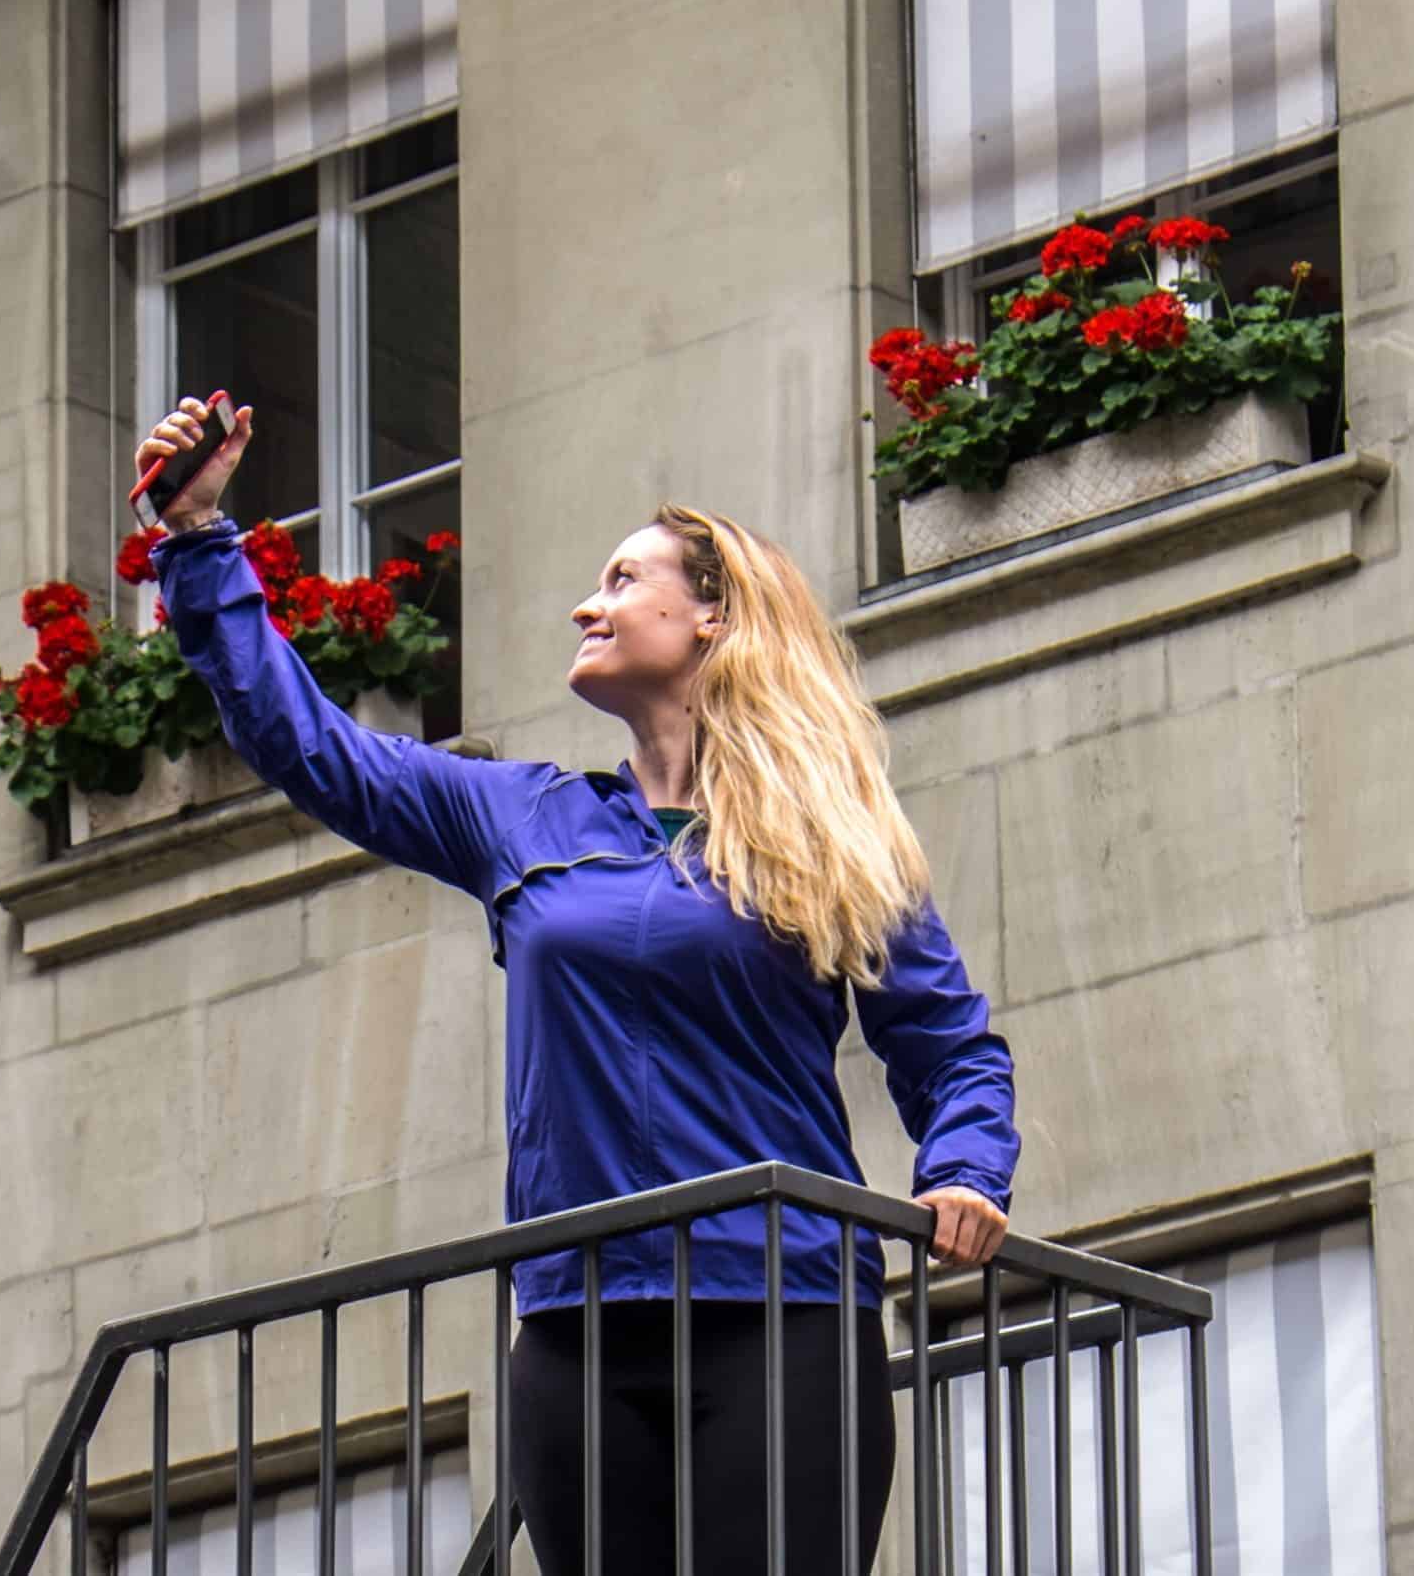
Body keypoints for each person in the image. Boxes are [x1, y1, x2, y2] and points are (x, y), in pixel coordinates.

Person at [135, 394, 1019, 1576]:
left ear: (714, 615)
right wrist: (197, 541)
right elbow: (314, 750)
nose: (583, 604)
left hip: (785, 1308)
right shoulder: (523, 816)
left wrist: (963, 1169)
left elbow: (948, 1043)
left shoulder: (829, 835)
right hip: (577, 1327)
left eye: (620, 580)